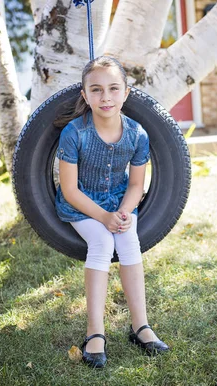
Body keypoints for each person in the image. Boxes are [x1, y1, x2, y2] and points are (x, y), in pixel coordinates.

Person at [54, 56, 169, 368]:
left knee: (128, 239)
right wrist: (103, 217)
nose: (105, 97)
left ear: (126, 93)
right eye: (97, 90)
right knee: (103, 243)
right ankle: (95, 333)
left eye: (113, 89)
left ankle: (141, 327)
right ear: (85, 95)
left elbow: (136, 185)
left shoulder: (137, 134)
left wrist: (122, 213)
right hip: (81, 207)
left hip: (118, 204)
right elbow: (69, 190)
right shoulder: (74, 133)